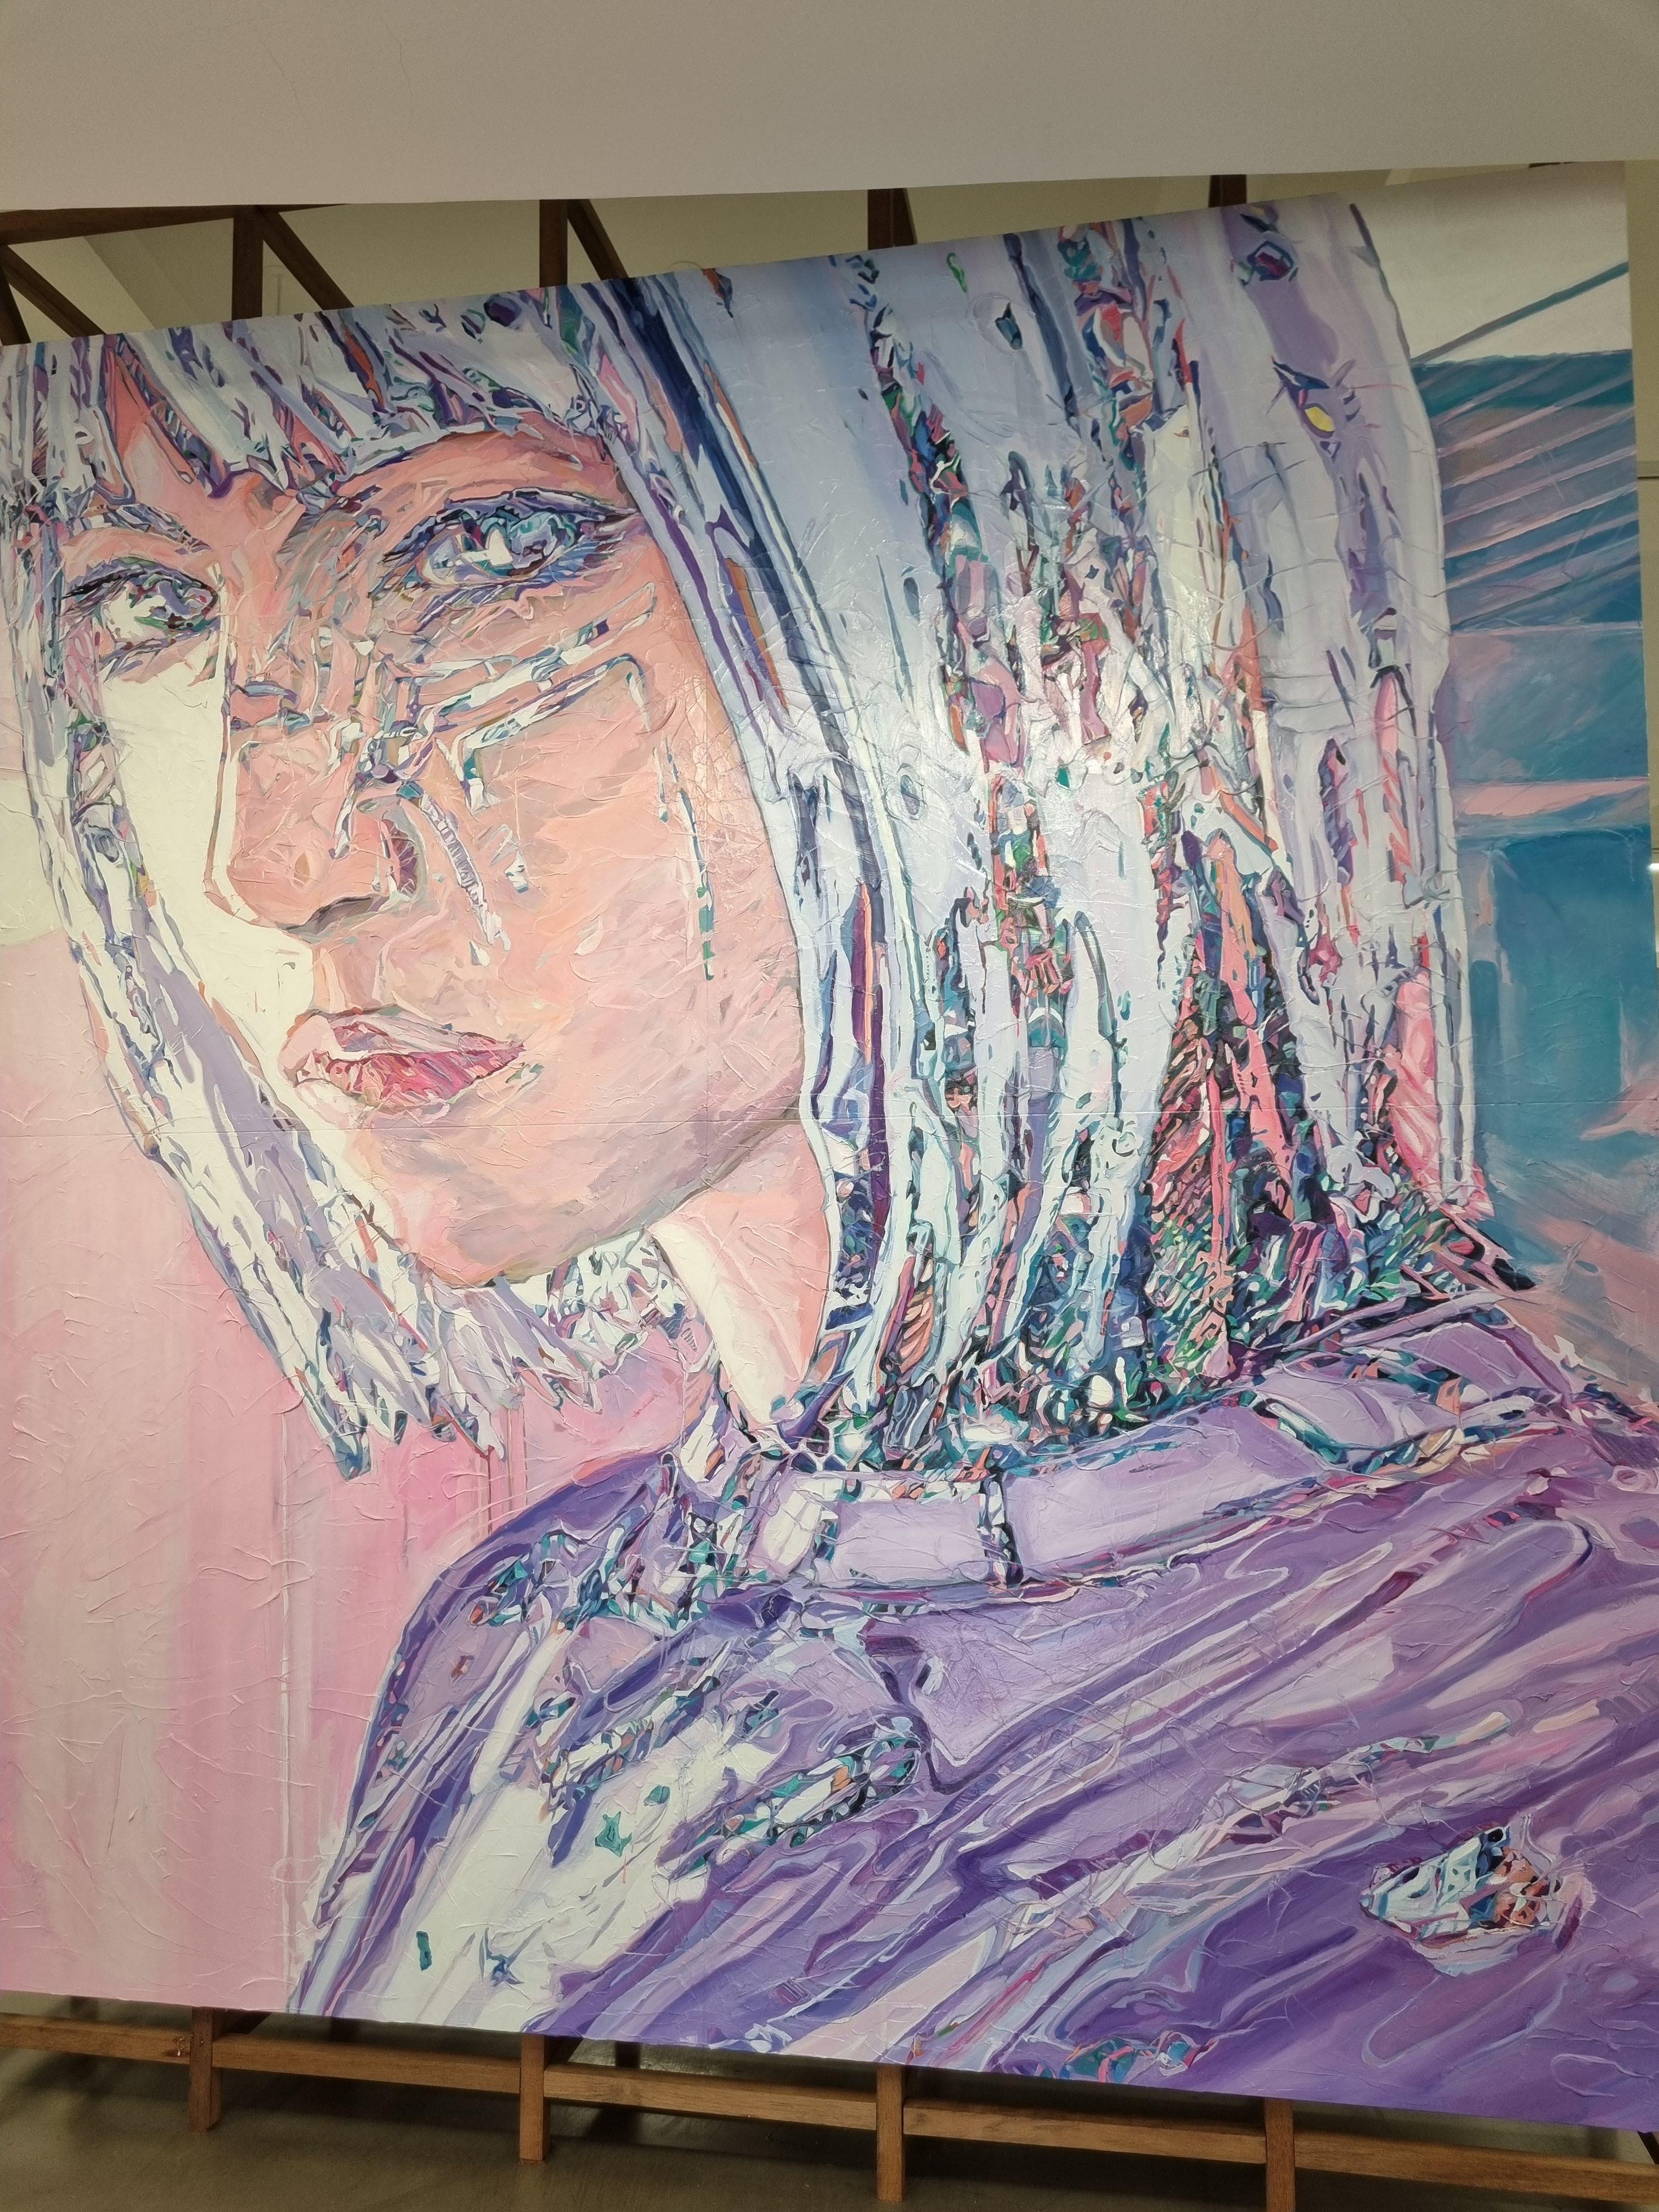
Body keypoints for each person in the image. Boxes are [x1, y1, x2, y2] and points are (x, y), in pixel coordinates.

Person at [2, 199, 1654, 2124]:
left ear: (1024, 612)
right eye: (153, 607)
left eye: (488, 551)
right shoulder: (526, 1628)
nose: (279, 858)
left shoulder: (1555, 1704)